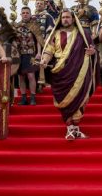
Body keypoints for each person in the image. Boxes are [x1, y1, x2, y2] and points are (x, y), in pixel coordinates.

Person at [40, 8, 96, 140]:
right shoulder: (55, 34)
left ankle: (74, 128)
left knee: (79, 99)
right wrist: (44, 60)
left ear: (73, 19)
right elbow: (49, 51)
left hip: (78, 71)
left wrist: (92, 52)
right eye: (63, 17)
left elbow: (92, 48)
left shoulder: (83, 34)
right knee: (63, 100)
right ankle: (70, 127)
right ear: (60, 19)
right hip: (60, 71)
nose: (66, 19)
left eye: (68, 17)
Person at [16, 7, 45, 105]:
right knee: (21, 77)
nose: (25, 14)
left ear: (30, 14)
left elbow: (39, 41)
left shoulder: (34, 25)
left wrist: (39, 53)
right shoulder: (16, 26)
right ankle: (23, 98)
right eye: (23, 13)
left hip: (31, 54)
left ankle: (33, 97)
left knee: (31, 75)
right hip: (19, 55)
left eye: (27, 13)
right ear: (21, 14)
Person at [33, 0, 55, 92]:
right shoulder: (33, 17)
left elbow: (50, 29)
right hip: (32, 44)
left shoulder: (48, 16)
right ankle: (35, 84)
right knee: (34, 63)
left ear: (44, 5)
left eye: (41, 4)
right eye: (37, 3)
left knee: (43, 63)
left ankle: (43, 83)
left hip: (44, 43)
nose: (39, 5)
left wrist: (46, 40)